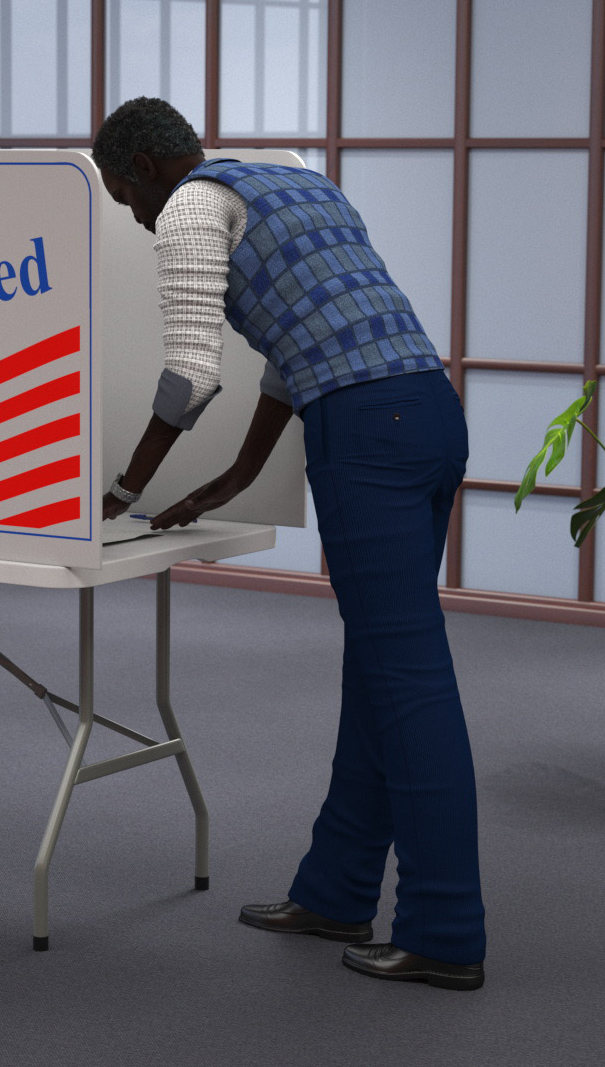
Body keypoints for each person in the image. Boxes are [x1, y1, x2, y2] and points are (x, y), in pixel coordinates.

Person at [93, 97, 485, 991]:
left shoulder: (191, 204)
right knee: (382, 666)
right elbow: (293, 346)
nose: (137, 217)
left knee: (410, 680)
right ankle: (337, 890)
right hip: (429, 415)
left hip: (366, 432)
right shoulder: (301, 183)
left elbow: (193, 374)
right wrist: (235, 476)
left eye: (126, 197)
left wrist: (123, 488)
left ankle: (447, 930)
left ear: (150, 168)